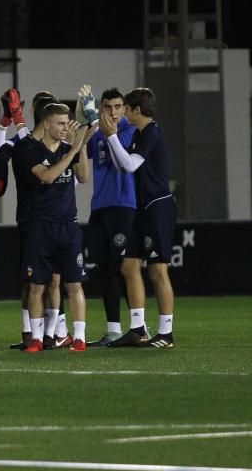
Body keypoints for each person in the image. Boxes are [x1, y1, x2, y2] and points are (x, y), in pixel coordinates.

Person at [102, 88, 177, 349]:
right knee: (129, 265)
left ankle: (166, 333)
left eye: (125, 108)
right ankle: (137, 329)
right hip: (142, 207)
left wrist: (111, 137)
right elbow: (122, 163)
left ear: (135, 109)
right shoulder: (140, 134)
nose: (122, 113)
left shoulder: (152, 132)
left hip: (157, 205)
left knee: (158, 269)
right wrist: (110, 137)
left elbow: (130, 165)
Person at [14, 103, 92, 352]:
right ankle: (36, 338)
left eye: (67, 123)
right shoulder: (31, 150)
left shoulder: (70, 148)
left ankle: (79, 338)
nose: (64, 128)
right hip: (40, 226)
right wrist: (72, 150)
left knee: (74, 284)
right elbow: (47, 176)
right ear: (46, 124)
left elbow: (83, 177)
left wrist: (82, 145)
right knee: (37, 285)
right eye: (60, 123)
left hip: (68, 226)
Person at [81, 86, 135, 346]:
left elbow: (118, 149)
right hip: (99, 207)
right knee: (105, 270)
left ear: (124, 108)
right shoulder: (100, 131)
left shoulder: (129, 130)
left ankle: (139, 325)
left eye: (117, 107)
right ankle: (113, 329)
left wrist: (94, 119)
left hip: (123, 206)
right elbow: (83, 151)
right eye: (107, 107)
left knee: (124, 268)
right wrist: (87, 124)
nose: (112, 112)